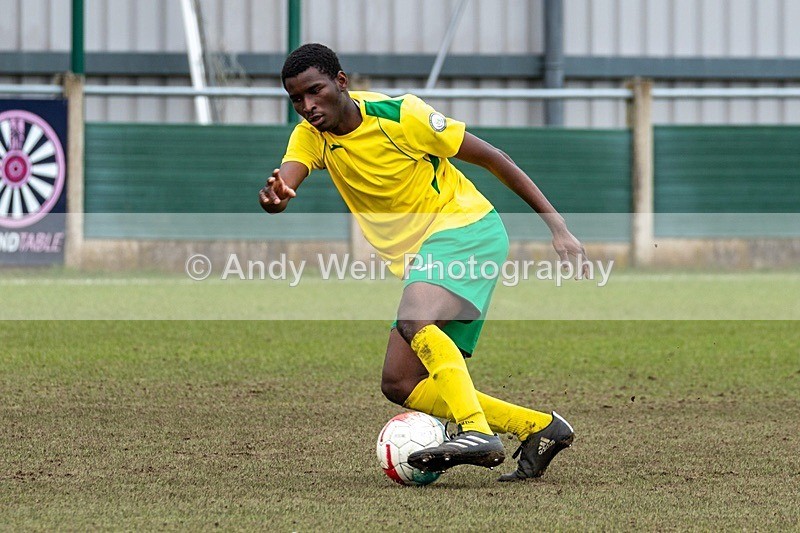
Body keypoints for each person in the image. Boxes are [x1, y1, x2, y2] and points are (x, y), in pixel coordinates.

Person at [259, 43, 586, 481]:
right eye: (296, 99)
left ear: (341, 82)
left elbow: (494, 158)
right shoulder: (311, 137)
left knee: (414, 321)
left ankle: (474, 431)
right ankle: (538, 428)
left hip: (467, 229)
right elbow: (288, 180)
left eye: (315, 91)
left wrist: (557, 226)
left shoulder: (403, 116)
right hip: (432, 253)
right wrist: (277, 198)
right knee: (400, 382)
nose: (308, 106)